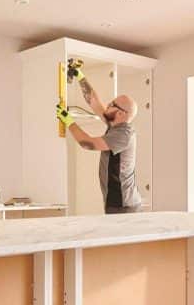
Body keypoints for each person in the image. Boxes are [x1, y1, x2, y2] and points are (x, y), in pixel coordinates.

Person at [55, 66, 142, 214]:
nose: (108, 105)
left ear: (121, 113)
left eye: (112, 105)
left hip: (123, 205)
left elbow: (88, 144)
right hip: (118, 202)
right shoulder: (115, 124)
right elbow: (94, 102)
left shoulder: (123, 134)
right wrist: (80, 76)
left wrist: (68, 121)